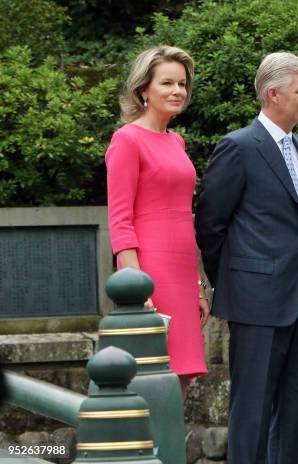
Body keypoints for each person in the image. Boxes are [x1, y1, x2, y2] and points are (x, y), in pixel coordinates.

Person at [195, 52, 298, 464]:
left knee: (294, 409)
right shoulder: (238, 146)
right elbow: (211, 225)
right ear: (273, 93)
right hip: (255, 302)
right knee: (251, 411)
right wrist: (237, 282)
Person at [106, 46, 209, 398]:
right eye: (167, 83)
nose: (177, 91)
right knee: (151, 375)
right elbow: (119, 219)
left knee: (182, 373)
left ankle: (167, 451)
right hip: (151, 272)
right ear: (143, 90)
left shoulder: (176, 141)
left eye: (182, 84)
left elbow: (183, 218)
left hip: (181, 271)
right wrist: (136, 285)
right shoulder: (127, 140)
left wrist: (197, 283)